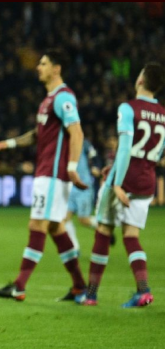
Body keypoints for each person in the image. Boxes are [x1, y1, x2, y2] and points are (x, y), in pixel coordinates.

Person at [0, 49, 88, 302]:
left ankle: (19, 286)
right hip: (47, 173)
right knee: (55, 228)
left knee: (37, 225)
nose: (38, 67)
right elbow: (37, 134)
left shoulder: (63, 97)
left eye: (43, 63)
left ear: (57, 68)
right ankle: (79, 286)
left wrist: (72, 166)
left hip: (53, 174)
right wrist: (7, 144)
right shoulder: (48, 100)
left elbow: (77, 132)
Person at [77, 63, 165, 307]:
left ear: (140, 80)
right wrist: (116, 167)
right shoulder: (163, 113)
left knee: (104, 230)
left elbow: (125, 148)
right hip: (146, 182)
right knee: (131, 235)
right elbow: (157, 154)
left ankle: (91, 294)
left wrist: (116, 181)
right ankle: (144, 291)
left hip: (124, 182)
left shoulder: (128, 108)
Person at [64, 138, 111, 251]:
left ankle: (105, 227)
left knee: (83, 220)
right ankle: (74, 248)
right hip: (70, 187)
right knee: (65, 218)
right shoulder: (61, 143)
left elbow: (94, 157)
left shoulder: (83, 142)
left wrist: (95, 167)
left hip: (83, 186)